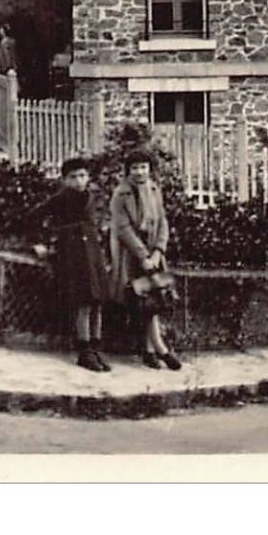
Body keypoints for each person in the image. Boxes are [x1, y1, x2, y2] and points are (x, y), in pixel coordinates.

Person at [28, 157, 113, 372]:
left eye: (82, 176)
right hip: (72, 254)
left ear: (89, 178)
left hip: (93, 253)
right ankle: (84, 352)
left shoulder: (93, 198)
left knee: (97, 302)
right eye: (73, 177)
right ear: (64, 180)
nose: (78, 181)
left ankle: (96, 347)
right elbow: (32, 218)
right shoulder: (59, 199)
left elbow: (103, 224)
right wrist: (39, 243)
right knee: (83, 302)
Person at [109, 149, 182, 370]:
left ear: (150, 169)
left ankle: (151, 351)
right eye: (135, 168)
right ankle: (159, 349)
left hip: (153, 253)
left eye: (143, 167)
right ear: (128, 171)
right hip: (131, 255)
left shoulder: (154, 190)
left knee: (154, 300)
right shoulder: (120, 194)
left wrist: (158, 251)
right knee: (142, 300)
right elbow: (122, 228)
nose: (140, 172)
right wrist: (143, 257)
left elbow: (162, 222)